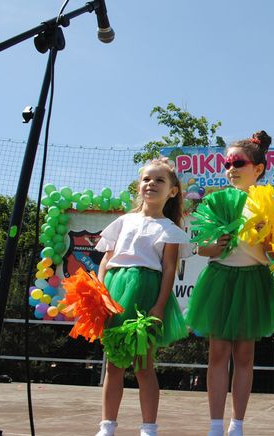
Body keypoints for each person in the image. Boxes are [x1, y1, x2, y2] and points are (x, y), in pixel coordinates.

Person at [185, 131, 274, 436]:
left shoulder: (270, 204)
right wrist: (218, 242)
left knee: (245, 356)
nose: (231, 169)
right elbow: (202, 247)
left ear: (258, 169)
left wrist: (267, 238)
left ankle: (236, 423)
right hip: (222, 279)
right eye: (227, 163)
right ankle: (214, 424)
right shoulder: (215, 200)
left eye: (239, 162)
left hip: (253, 281)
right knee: (218, 353)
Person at [95, 158, 191, 436]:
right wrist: (101, 291)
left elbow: (169, 270)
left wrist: (159, 306)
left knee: (143, 365)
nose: (151, 184)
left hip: (145, 292)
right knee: (113, 364)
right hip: (115, 292)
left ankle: (148, 428)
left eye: (160, 180)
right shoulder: (123, 221)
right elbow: (106, 260)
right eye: (147, 179)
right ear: (139, 185)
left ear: (172, 191)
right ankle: (107, 426)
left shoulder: (171, 230)